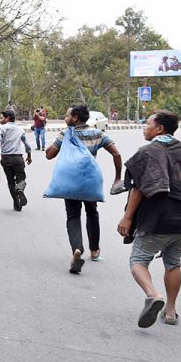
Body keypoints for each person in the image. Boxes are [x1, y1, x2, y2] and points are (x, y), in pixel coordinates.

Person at [117, 110, 181, 328]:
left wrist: (127, 217)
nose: (144, 126)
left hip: (154, 221)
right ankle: (170, 311)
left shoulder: (147, 152)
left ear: (159, 128)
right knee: (173, 263)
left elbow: (138, 189)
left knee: (138, 261)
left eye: (147, 123)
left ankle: (153, 295)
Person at [45, 104, 123, 274]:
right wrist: (117, 177)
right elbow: (116, 154)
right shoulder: (97, 133)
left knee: (73, 215)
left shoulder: (66, 134)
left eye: (67, 115)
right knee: (92, 213)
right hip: (89, 182)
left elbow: (49, 154)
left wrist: (53, 145)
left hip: (70, 182)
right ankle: (94, 250)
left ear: (75, 118)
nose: (65, 118)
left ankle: (77, 249)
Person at [0, 109, 32, 211]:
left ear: (7, 118)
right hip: (18, 158)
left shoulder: (2, 128)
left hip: (6, 158)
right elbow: (27, 144)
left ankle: (17, 203)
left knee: (10, 182)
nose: (0, 120)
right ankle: (20, 189)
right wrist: (29, 156)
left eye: (1, 118)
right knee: (21, 180)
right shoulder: (20, 129)